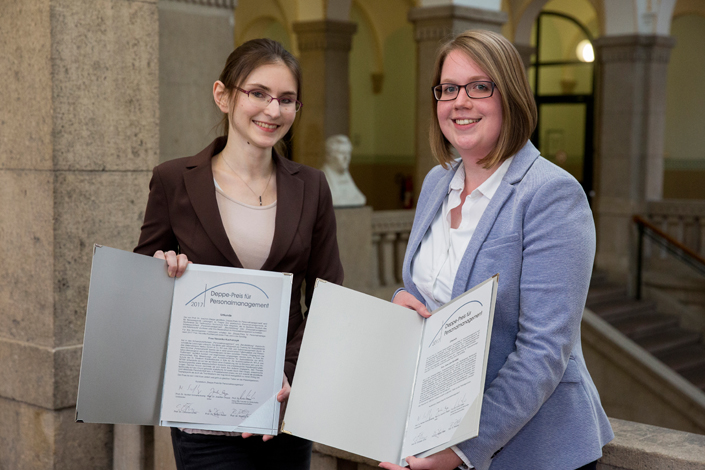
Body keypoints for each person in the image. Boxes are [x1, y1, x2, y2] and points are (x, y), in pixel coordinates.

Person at [380, 30, 613, 470]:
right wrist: (400, 301)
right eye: (448, 89)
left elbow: (543, 350)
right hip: (434, 430)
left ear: (510, 96)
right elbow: (428, 292)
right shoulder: (436, 183)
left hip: (535, 452)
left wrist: (461, 449)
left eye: (479, 87)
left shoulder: (551, 194)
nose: (460, 102)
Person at [134, 38, 343, 470]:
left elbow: (328, 297)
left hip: (283, 410)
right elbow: (140, 284)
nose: (272, 110)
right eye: (258, 93)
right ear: (223, 95)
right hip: (204, 417)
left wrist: (288, 373)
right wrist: (158, 272)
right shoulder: (174, 180)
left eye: (287, 100)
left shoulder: (313, 186)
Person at [321, 134, 366, 207]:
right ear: (329, 156)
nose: (346, 157)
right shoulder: (321, 178)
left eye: (348, 153)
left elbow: (360, 198)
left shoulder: (346, 175)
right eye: (342, 153)